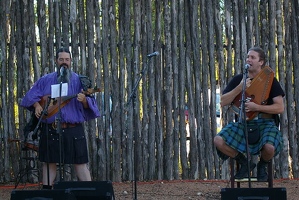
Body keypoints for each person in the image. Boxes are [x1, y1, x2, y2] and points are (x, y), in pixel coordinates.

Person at [20, 47, 100, 189]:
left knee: (80, 163)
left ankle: (90, 193)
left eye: (67, 60)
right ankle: (47, 195)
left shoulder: (79, 80)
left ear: (71, 61)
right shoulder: (46, 80)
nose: (64, 62)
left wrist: (84, 101)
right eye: (61, 59)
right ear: (56, 61)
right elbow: (29, 96)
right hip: (50, 129)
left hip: (73, 129)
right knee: (49, 162)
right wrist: (37, 105)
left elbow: (92, 105)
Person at [214, 47, 285, 181]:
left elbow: (280, 107)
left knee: (269, 148)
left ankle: (262, 166)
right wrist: (239, 88)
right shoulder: (239, 79)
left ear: (261, 62)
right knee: (218, 140)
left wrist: (256, 107)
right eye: (248, 57)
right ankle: (245, 163)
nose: (249, 60)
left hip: (265, 123)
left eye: (253, 57)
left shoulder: (270, 81)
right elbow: (223, 101)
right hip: (243, 123)